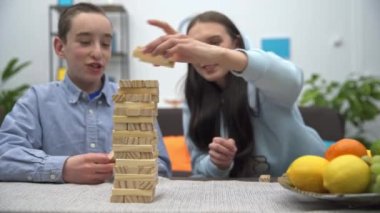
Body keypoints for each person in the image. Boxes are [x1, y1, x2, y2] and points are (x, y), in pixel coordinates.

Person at [0, 3, 171, 184]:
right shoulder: (36, 100)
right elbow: (4, 155)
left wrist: (128, 169)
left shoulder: (133, 101)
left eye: (106, 44)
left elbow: (162, 167)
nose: (98, 52)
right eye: (85, 42)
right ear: (59, 47)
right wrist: (62, 168)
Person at [144, 11, 326, 178]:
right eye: (197, 48)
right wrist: (217, 164)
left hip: (309, 181)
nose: (205, 54)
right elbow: (199, 164)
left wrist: (221, 56)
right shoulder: (194, 98)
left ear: (236, 43)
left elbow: (292, 80)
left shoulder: (261, 81)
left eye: (214, 43)